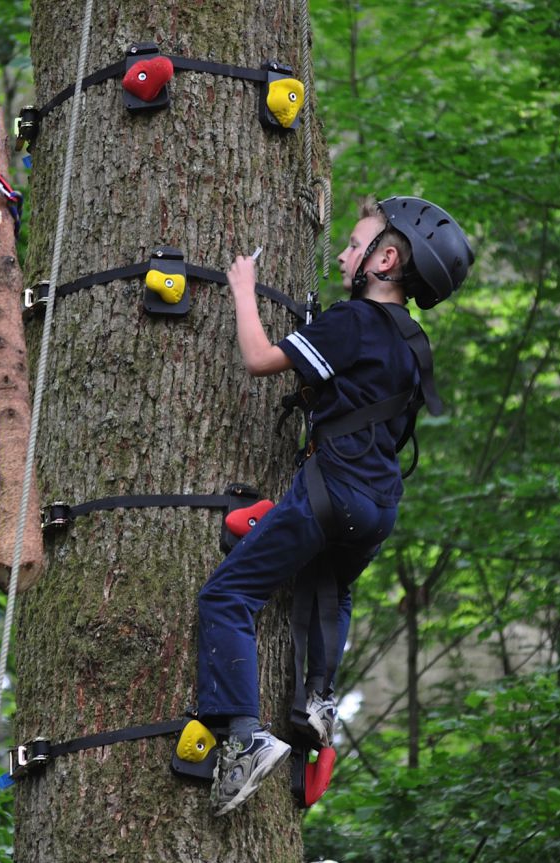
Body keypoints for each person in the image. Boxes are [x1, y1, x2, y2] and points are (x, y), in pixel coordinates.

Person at [197, 195, 474, 815]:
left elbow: (258, 359)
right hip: (377, 510)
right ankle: (317, 702)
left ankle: (242, 737)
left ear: (387, 259)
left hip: (331, 493)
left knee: (227, 595)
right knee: (331, 585)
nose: (345, 254)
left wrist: (243, 288)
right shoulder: (411, 343)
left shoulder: (352, 323)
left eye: (355, 244)